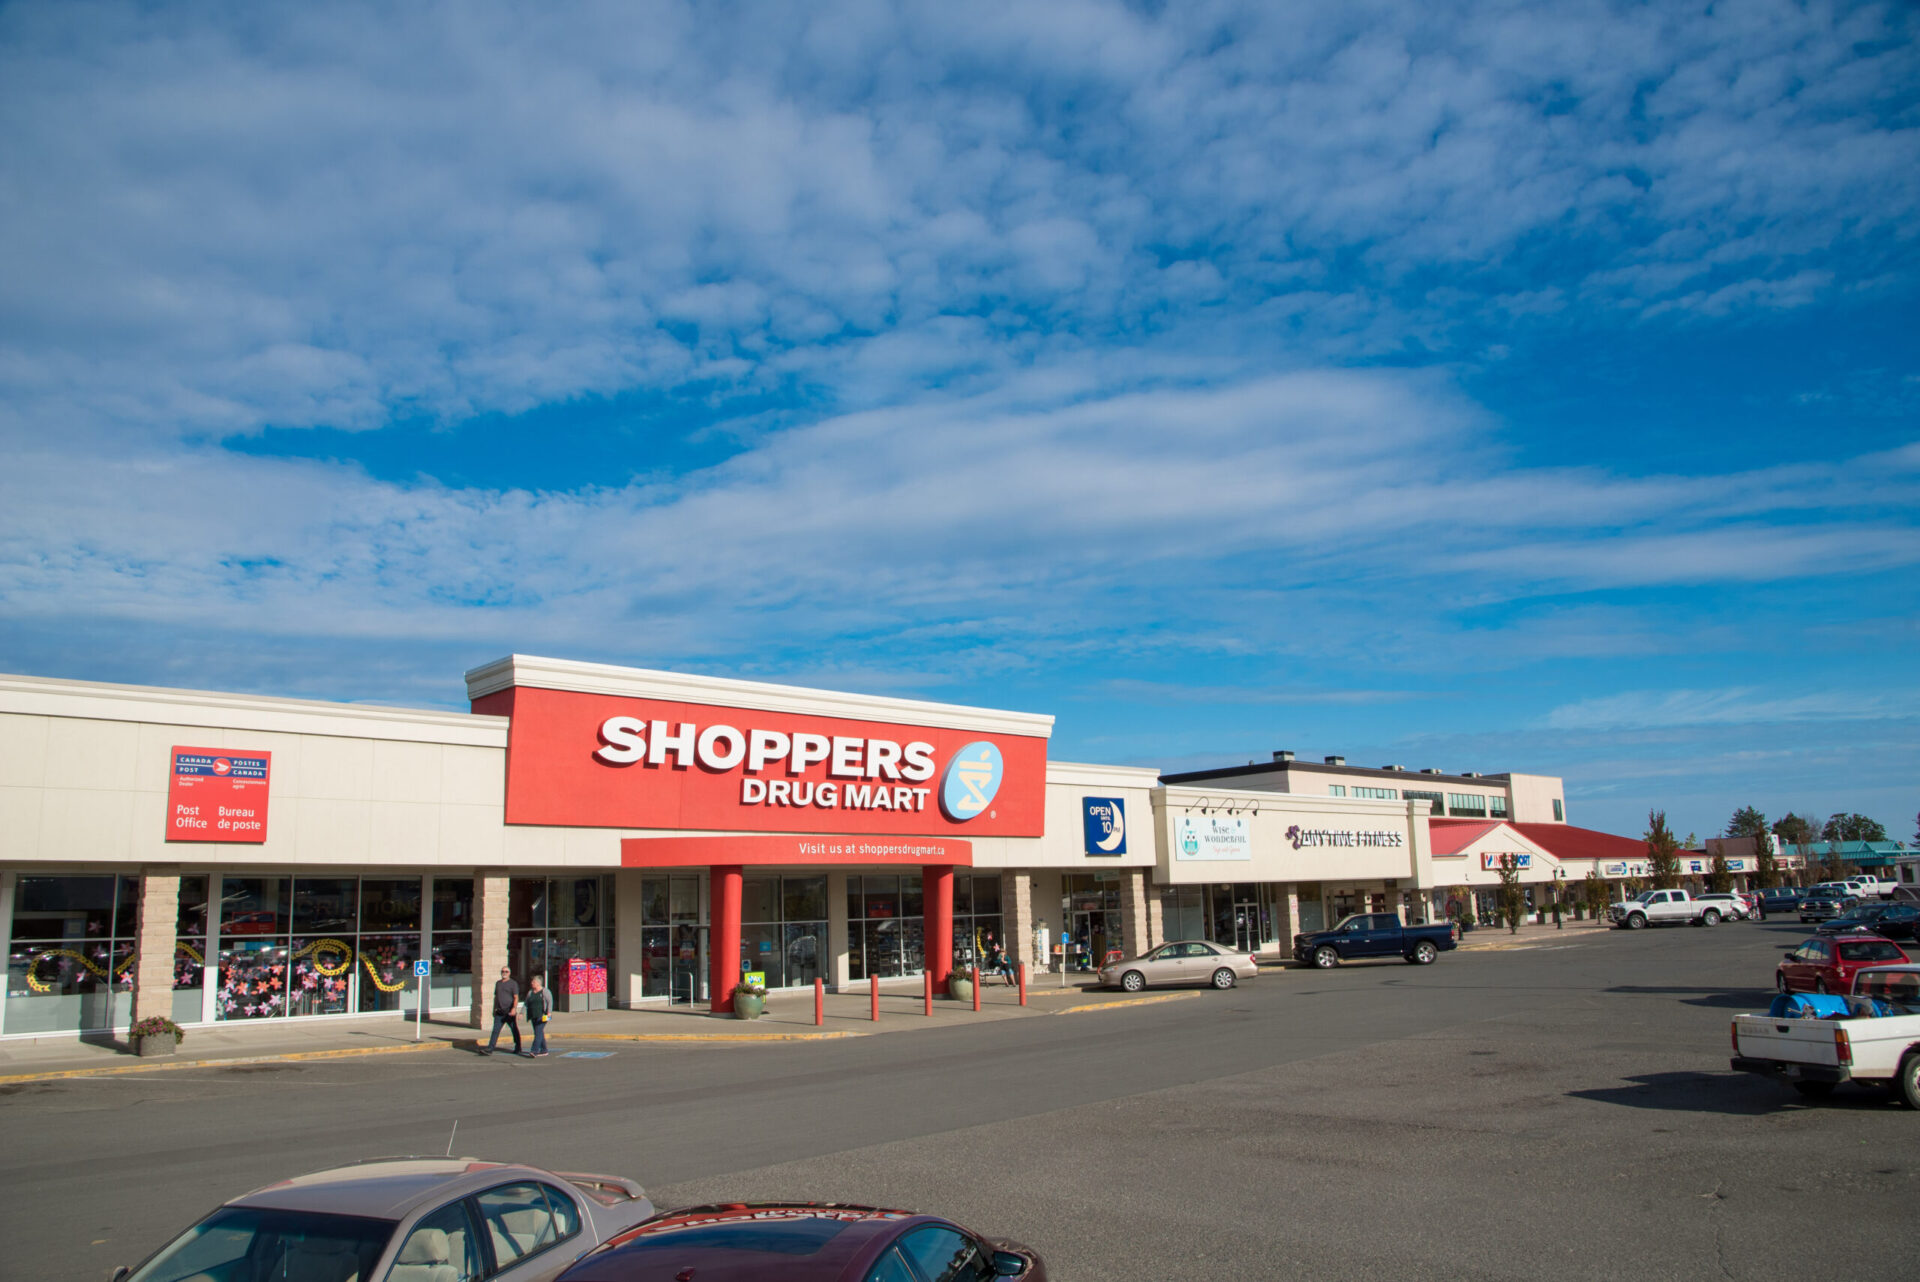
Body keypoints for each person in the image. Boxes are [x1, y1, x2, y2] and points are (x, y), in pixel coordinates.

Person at [482, 965, 523, 1057]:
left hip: (509, 1012)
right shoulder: (498, 983)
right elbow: (496, 997)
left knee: (514, 1030)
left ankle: (518, 1047)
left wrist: (514, 1008)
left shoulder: (513, 984)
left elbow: (516, 997)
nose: (504, 973)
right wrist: (494, 1009)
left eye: (506, 972)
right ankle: (490, 1048)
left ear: (509, 973)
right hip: (499, 1012)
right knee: (495, 1031)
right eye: (502, 971)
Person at [525, 975, 553, 1058]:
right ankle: (544, 1050)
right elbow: (526, 1003)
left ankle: (534, 1050)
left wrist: (549, 1012)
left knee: (538, 1032)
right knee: (539, 1032)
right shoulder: (530, 992)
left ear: (538, 983)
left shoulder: (545, 991)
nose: (531, 983)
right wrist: (521, 1013)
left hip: (543, 1015)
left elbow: (550, 1002)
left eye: (533, 982)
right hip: (533, 1015)